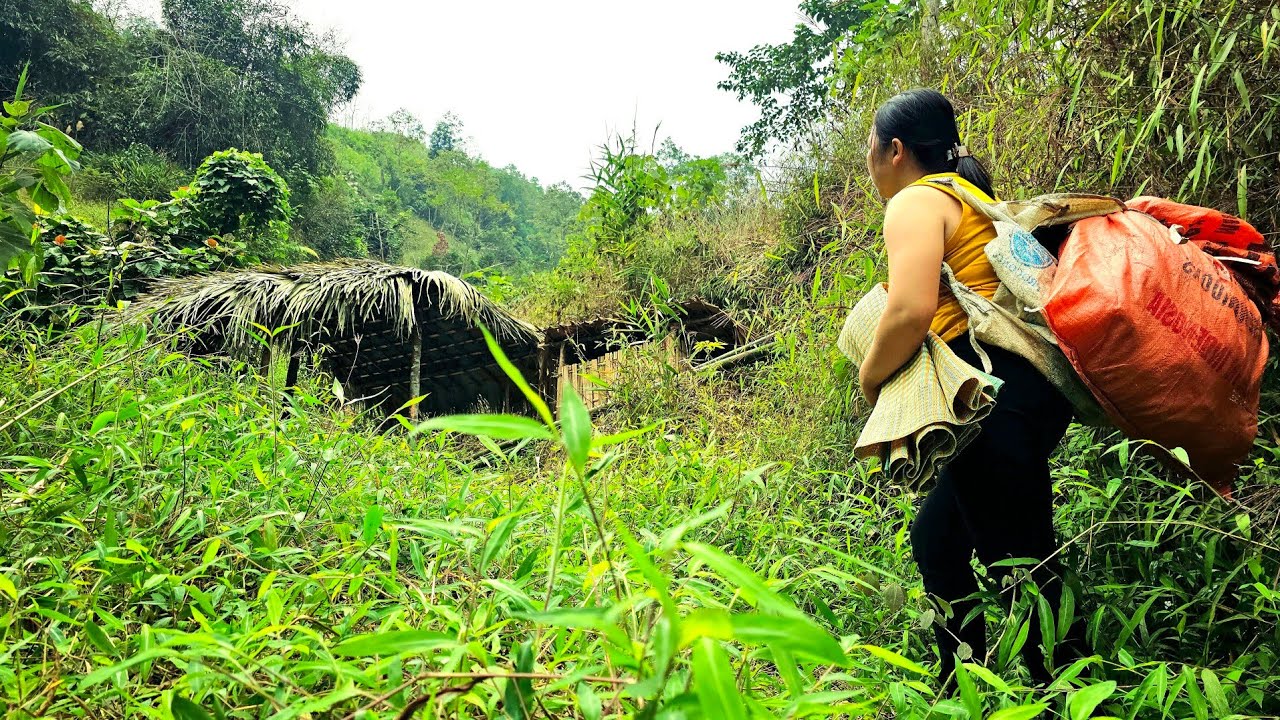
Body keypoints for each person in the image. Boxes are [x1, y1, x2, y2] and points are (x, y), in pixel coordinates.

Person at [858, 88, 1087, 686]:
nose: (870, 161)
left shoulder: (914, 202)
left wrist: (870, 375)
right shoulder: (971, 195)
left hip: (987, 396)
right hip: (1030, 389)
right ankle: (961, 678)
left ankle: (1066, 689)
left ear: (897, 150)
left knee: (1020, 563)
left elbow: (908, 312)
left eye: (871, 148)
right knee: (936, 537)